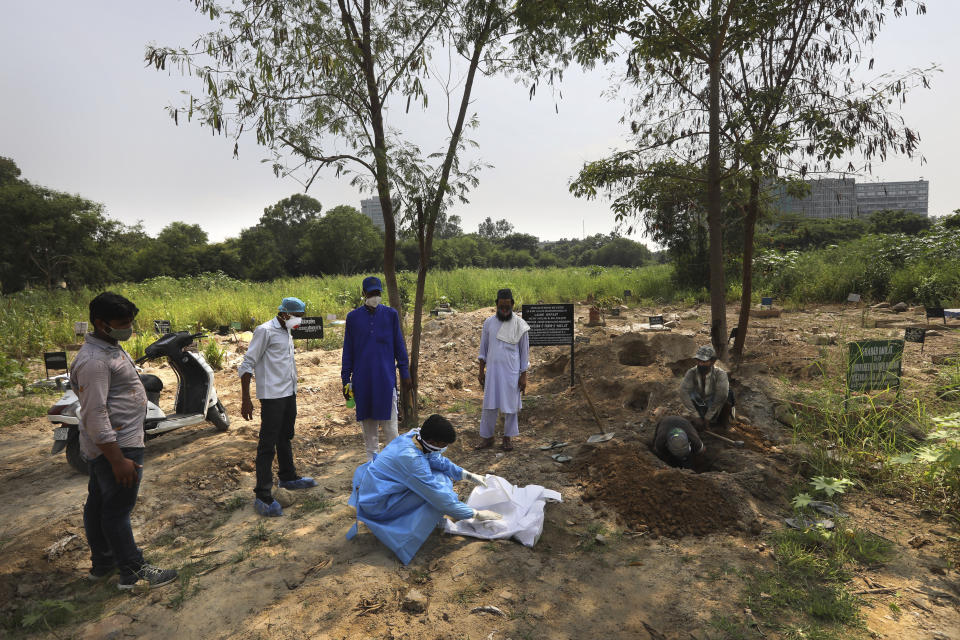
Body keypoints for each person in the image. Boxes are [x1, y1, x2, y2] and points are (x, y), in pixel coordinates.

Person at [72, 292, 178, 589]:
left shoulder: (109, 346)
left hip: (113, 443)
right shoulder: (94, 362)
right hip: (116, 446)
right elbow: (95, 413)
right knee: (117, 510)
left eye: (130, 321)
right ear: (100, 323)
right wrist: (118, 460)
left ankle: (103, 563)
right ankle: (132, 571)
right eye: (122, 323)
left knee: (98, 503)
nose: (128, 327)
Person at [347, 415, 500, 564]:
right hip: (378, 503)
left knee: (441, 477)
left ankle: (431, 520)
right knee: (438, 489)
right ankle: (406, 535)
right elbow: (440, 498)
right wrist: (476, 514)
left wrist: (467, 475)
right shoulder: (411, 459)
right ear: (433, 441)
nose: (444, 448)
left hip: (381, 489)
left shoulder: (416, 437)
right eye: (443, 444)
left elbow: (437, 460)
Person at [239, 297, 317, 517]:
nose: (299, 321)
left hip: (288, 393)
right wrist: (246, 399)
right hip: (272, 396)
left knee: (286, 436)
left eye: (301, 317)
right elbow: (246, 365)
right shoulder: (265, 331)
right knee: (267, 443)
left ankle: (288, 476)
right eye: (297, 317)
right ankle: (262, 493)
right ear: (284, 314)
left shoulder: (287, 331)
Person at [341, 276, 412, 461]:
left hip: (386, 382)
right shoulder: (353, 318)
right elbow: (348, 351)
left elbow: (399, 346)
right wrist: (345, 380)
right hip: (363, 383)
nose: (375, 297)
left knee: (391, 432)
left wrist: (405, 372)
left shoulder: (391, 315)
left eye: (378, 293)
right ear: (363, 294)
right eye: (371, 293)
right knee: (370, 437)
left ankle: (396, 469)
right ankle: (374, 471)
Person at [476, 288, 529, 451]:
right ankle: (487, 438)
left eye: (507, 306)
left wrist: (524, 375)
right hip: (492, 372)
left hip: (512, 372)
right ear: (496, 305)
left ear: (512, 304)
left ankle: (507, 438)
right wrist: (481, 370)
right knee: (489, 405)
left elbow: (524, 352)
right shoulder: (489, 323)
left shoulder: (520, 325)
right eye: (501, 306)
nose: (504, 309)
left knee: (511, 406)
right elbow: (483, 349)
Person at [680, 345, 734, 431]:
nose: (700, 364)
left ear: (712, 361)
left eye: (704, 361)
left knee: (729, 394)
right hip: (699, 403)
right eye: (698, 361)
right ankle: (699, 420)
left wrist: (708, 417)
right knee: (689, 393)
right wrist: (695, 416)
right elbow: (684, 392)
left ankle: (724, 422)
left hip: (714, 404)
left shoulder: (720, 374)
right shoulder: (691, 373)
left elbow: (721, 395)